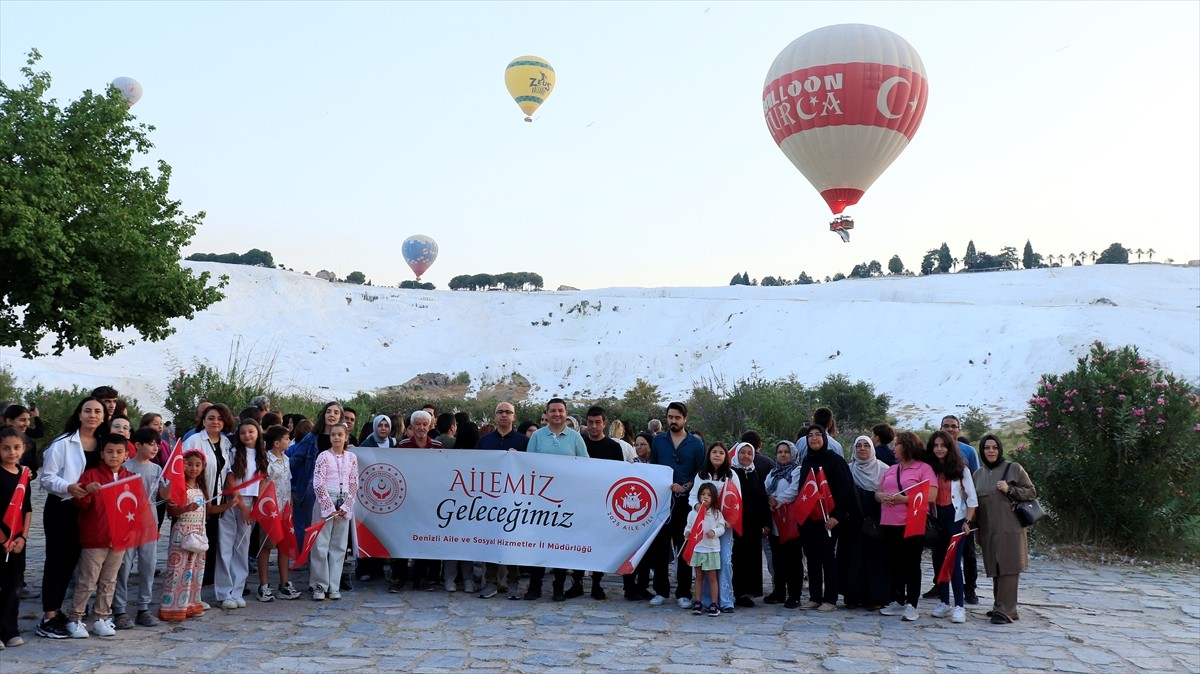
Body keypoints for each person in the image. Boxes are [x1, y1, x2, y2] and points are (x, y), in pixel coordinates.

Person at [37, 397, 106, 639]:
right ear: (79, 414)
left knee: (74, 562)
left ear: (103, 417)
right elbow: (47, 478)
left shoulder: (103, 443)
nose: (92, 415)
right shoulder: (63, 443)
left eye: (97, 411)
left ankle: (60, 611)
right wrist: (68, 487)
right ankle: (48, 617)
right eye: (87, 410)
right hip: (62, 508)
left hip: (88, 511)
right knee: (57, 562)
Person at [65, 435, 136, 638]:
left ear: (126, 455)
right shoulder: (91, 475)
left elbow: (133, 507)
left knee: (109, 581)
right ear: (102, 453)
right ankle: (75, 619)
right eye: (109, 451)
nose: (114, 456)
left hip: (118, 539)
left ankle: (102, 618)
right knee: (87, 580)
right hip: (95, 538)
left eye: (119, 452)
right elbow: (80, 504)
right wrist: (87, 491)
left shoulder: (129, 477)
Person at [524, 399, 588, 601]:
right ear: (547, 413)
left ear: (566, 413)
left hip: (565, 500)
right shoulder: (537, 436)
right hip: (540, 500)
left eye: (560, 410)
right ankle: (535, 585)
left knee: (560, 544)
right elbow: (527, 464)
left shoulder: (576, 438)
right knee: (537, 543)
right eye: (553, 411)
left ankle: (558, 586)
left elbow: (586, 466)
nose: (557, 414)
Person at [159, 450, 235, 622]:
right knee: (178, 571)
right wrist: (186, 509)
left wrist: (230, 505)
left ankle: (191, 604)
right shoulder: (179, 487)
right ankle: (173, 607)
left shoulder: (201, 489)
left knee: (195, 571)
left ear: (202, 467)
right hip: (182, 533)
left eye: (197, 465)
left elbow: (210, 510)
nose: (193, 468)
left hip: (199, 533)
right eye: (189, 464)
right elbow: (171, 511)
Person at [876, 431, 938, 622]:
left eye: (897, 444)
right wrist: (882, 497)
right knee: (894, 563)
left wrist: (904, 500)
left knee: (911, 564)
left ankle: (912, 603)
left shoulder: (923, 469)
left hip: (912, 523)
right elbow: (878, 492)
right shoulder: (891, 469)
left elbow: (931, 495)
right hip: (889, 523)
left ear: (907, 446)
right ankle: (897, 600)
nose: (893, 448)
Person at [973, 434, 1036, 624]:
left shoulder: (1013, 468)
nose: (991, 451)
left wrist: (1010, 490)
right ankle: (1000, 606)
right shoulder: (977, 474)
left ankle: (1006, 610)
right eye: (987, 448)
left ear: (1000, 449)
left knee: (1009, 566)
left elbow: (1031, 492)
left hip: (1010, 527)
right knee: (996, 566)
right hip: (988, 529)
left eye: (994, 447)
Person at [649, 402, 705, 609]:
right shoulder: (659, 441)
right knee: (660, 548)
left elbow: (700, 474)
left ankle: (683, 592)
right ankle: (661, 591)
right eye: (670, 417)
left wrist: (686, 486)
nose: (673, 421)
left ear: (685, 419)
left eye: (677, 418)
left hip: (685, 503)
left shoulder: (696, 444)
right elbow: (653, 468)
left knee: (683, 547)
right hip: (662, 501)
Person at [112, 428, 165, 629]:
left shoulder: (157, 469)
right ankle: (119, 609)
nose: (155, 448)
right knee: (124, 565)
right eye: (151, 444)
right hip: (127, 522)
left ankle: (144, 607)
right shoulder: (125, 467)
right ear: (138, 445)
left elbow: (165, 494)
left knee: (148, 564)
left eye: (157, 444)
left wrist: (175, 481)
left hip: (149, 522)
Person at [797, 424, 853, 612]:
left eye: (817, 435)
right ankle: (815, 597)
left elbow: (845, 489)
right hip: (810, 518)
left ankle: (830, 599)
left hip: (830, 518)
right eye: (810, 435)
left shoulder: (835, 460)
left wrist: (837, 516)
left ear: (824, 437)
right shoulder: (806, 460)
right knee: (812, 557)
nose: (814, 438)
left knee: (827, 557)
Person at [476, 403, 528, 600]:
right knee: (491, 541)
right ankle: (490, 583)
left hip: (515, 501)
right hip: (490, 501)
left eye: (508, 412)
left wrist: (519, 458)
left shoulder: (524, 442)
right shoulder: (485, 440)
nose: (504, 415)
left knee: (513, 543)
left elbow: (531, 468)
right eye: (500, 412)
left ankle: (513, 583)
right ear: (495, 416)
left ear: (514, 416)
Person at [926, 431, 978, 624]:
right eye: (936, 445)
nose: (939, 449)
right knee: (940, 561)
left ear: (950, 447)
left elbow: (972, 499)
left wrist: (967, 522)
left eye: (943, 445)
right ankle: (943, 602)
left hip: (956, 519)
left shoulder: (961, 469)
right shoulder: (930, 469)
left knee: (954, 562)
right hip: (937, 520)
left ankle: (959, 606)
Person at [574, 406, 624, 600]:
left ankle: (597, 583)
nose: (594, 426)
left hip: (603, 503)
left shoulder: (613, 447)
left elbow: (619, 475)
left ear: (604, 423)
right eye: (590, 422)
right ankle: (577, 581)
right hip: (580, 501)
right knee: (578, 542)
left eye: (597, 422)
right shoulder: (579, 444)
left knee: (599, 544)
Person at [216, 419, 268, 610]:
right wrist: (241, 506)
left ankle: (237, 591)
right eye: (243, 432)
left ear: (258, 433)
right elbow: (230, 479)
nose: (247, 435)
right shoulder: (234, 452)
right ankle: (224, 592)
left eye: (251, 431)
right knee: (226, 546)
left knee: (242, 547)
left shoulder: (262, 455)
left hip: (250, 503)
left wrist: (256, 505)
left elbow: (262, 481)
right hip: (232, 502)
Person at [182, 403, 234, 588]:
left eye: (220, 419)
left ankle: (206, 578)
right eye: (211, 418)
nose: (215, 422)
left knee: (210, 538)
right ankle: (187, 580)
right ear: (203, 421)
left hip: (216, 498)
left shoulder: (226, 443)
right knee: (192, 540)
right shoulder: (194, 441)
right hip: (195, 499)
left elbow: (226, 470)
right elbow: (181, 469)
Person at [688, 441, 740, 613]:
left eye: (721, 453)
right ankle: (705, 600)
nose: (717, 455)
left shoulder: (731, 475)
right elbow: (693, 496)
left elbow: (737, 499)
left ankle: (725, 601)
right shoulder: (702, 474)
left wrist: (729, 520)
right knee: (704, 561)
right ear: (709, 454)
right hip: (704, 525)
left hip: (723, 525)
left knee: (724, 560)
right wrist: (697, 506)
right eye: (714, 452)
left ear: (726, 456)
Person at [394, 410, 443, 591]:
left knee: (425, 538)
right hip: (406, 501)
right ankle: (398, 577)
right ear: (412, 426)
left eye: (424, 424)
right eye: (417, 424)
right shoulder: (402, 446)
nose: (421, 428)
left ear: (430, 426)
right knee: (401, 538)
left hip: (428, 502)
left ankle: (420, 578)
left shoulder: (438, 446)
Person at [287, 402, 342, 555]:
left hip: (335, 490)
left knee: (330, 530)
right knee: (309, 526)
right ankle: (306, 558)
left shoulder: (344, 439)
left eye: (336, 412)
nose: (332, 415)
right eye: (329, 411)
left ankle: (326, 562)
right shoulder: (311, 438)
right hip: (311, 488)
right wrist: (275, 465)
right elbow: (296, 460)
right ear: (323, 414)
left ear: (340, 417)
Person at [310, 423, 357, 601]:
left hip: (343, 501)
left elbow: (354, 482)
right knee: (320, 545)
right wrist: (329, 507)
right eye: (333, 435)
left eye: (340, 435)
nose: (336, 438)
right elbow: (318, 483)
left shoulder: (351, 457)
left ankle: (334, 586)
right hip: (326, 500)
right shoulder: (323, 456)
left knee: (339, 546)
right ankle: (319, 585)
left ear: (346, 437)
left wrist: (346, 506)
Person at [842, 435, 890, 610]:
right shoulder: (849, 469)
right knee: (853, 557)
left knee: (875, 558)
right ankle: (853, 596)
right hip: (853, 521)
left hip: (876, 521)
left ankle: (875, 597)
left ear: (872, 449)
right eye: (859, 446)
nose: (862, 449)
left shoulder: (884, 470)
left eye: (866, 446)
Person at [937, 415, 980, 604]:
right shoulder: (933, 458)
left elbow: (974, 483)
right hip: (940, 516)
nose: (950, 429)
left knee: (965, 555)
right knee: (940, 557)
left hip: (961, 514)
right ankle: (942, 594)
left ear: (959, 429)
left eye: (953, 426)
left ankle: (968, 590)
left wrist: (970, 517)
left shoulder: (968, 452)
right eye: (946, 426)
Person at [257, 425, 301, 601]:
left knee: (284, 545)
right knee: (266, 546)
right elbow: (263, 484)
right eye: (286, 438)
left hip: (284, 510)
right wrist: (264, 507)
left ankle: (284, 584)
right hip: (270, 512)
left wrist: (290, 504)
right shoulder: (267, 461)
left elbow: (287, 483)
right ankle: (263, 585)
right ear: (276, 443)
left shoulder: (287, 460)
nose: (289, 441)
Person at [0, 428, 32, 648]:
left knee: (14, 587)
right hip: (2, 539)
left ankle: (10, 629)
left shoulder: (23, 475)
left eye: (16, 447)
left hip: (17, 541)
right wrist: (3, 540)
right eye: (6, 448)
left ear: (23, 449)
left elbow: (27, 509)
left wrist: (23, 538)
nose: (12, 452)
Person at [730, 442, 770, 608]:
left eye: (749, 453)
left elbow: (762, 499)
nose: (746, 456)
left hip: (753, 525)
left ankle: (746, 593)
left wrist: (766, 522)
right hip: (735, 525)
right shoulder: (730, 473)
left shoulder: (755, 474)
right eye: (743, 452)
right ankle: (733, 591)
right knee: (736, 558)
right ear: (736, 454)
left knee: (751, 559)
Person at [686, 483, 726, 617]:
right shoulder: (693, 513)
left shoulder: (716, 513)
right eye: (703, 494)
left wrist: (714, 532)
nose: (705, 497)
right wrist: (687, 533)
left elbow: (722, 527)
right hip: (698, 549)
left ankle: (714, 603)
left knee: (712, 577)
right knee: (699, 577)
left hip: (712, 549)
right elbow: (689, 526)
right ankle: (698, 601)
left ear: (714, 497)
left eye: (709, 495)